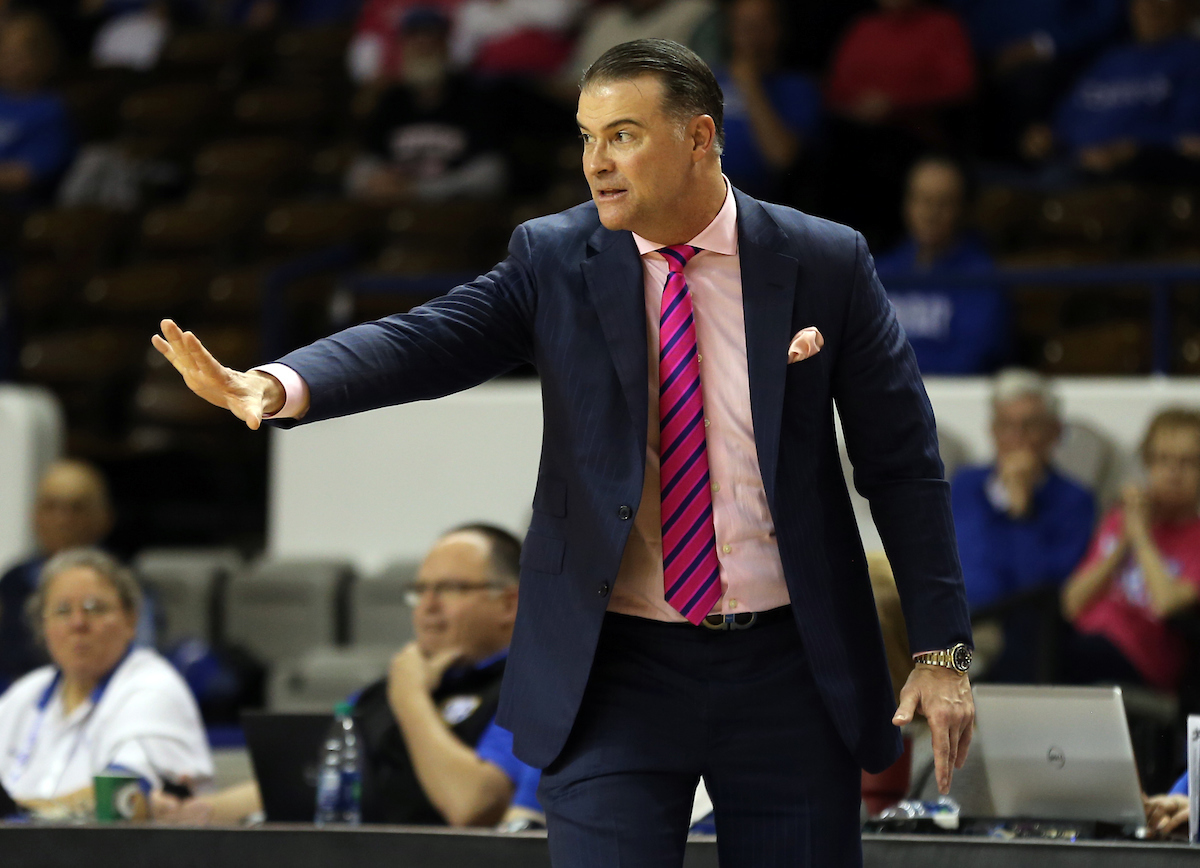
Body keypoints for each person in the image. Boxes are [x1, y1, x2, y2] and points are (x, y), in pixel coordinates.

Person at [152, 38, 974, 866]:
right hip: (613, 666)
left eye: (622, 135)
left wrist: (940, 653)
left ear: (699, 138)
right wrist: (282, 383)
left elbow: (903, 463)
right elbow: (428, 340)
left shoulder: (825, 261)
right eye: (585, 137)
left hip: (789, 665)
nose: (596, 163)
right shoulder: (554, 258)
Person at [153, 524, 542, 826]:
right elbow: (309, 783)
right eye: (420, 590)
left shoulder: (528, 688)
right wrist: (195, 812)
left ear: (509, 602)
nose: (428, 607)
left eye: (449, 589)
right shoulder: (376, 694)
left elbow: (472, 806)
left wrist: (410, 699)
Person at [0, 549, 212, 817]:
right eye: (62, 610)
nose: (78, 623)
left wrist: (19, 816)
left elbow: (122, 801)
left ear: (131, 619)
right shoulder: (25, 694)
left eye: (94, 608)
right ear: (43, 625)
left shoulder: (152, 687)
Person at [951, 369, 1095, 682]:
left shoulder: (1075, 500)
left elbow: (1043, 589)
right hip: (959, 617)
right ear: (992, 431)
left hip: (1022, 629)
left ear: (1054, 432)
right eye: (1006, 426)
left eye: (1030, 426)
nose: (1017, 438)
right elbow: (961, 565)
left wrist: (1021, 512)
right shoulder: (965, 485)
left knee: (1030, 627)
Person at [1061, 407, 1200, 691]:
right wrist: (1123, 542)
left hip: (1144, 660)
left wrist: (1141, 537)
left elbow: (1166, 604)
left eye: (1187, 463)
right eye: (1162, 460)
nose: (1173, 473)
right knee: (1032, 636)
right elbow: (1071, 603)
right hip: (1088, 642)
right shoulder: (1120, 518)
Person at [820, 0, 976, 247]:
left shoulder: (941, 25)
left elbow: (960, 84)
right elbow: (836, 88)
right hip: (861, 135)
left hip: (918, 133)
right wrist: (860, 105)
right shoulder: (864, 27)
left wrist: (896, 103)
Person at [1021, 0, 1200, 181]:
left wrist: (1135, 150)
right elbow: (1063, 124)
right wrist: (1044, 138)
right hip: (1069, 164)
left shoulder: (1191, 59)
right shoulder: (1109, 60)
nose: (1149, 5)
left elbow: (1189, 140)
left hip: (1134, 178)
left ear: (1188, 9)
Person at [346, 6, 507, 204]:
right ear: (402, 46)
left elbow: (489, 172)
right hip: (393, 209)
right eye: (414, 37)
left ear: (446, 44)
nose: (423, 44)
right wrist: (379, 181)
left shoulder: (473, 96)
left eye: (432, 36)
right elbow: (370, 160)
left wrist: (421, 191)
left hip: (451, 212)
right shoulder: (392, 100)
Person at [875, 156, 1007, 375]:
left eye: (943, 202)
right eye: (922, 200)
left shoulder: (982, 278)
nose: (930, 214)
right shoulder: (879, 272)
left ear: (963, 208)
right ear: (907, 203)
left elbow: (971, 359)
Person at [947, 0, 1126, 160]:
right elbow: (953, 11)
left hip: (1058, 60)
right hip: (971, 56)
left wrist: (1042, 45)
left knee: (1028, 87)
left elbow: (1102, 17)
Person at [1, 460, 116, 692]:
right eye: (51, 507)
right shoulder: (11, 581)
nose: (63, 520)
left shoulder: (117, 584)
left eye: (76, 508)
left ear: (104, 518)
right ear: (34, 516)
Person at [713, 0, 821, 202]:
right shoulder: (709, 79)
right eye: (743, 26)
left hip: (753, 199)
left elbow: (781, 158)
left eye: (760, 26)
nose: (752, 36)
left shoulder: (798, 88)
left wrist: (750, 85)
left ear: (778, 30)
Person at [0, 12, 74, 208]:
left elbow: (24, 177)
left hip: (16, 212)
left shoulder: (50, 110)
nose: (9, 62)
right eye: (4, 54)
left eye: (18, 55)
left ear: (43, 57)